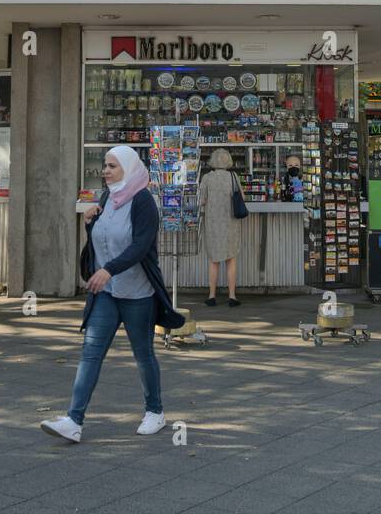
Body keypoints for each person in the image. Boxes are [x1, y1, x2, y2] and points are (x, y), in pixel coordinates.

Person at [41, 145, 184, 445]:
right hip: (106, 293)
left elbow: (140, 246)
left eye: (112, 166)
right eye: (105, 165)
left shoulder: (143, 201)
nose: (105, 171)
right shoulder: (108, 197)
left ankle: (155, 412)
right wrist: (89, 224)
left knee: (143, 354)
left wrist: (110, 269)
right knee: (90, 352)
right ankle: (73, 420)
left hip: (137, 293)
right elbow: (105, 239)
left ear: (129, 169)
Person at [198, 147, 242, 308]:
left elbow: (201, 200)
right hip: (231, 222)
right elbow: (241, 197)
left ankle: (211, 296)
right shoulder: (233, 176)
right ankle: (232, 296)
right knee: (231, 259)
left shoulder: (207, 178)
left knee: (213, 260)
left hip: (213, 223)